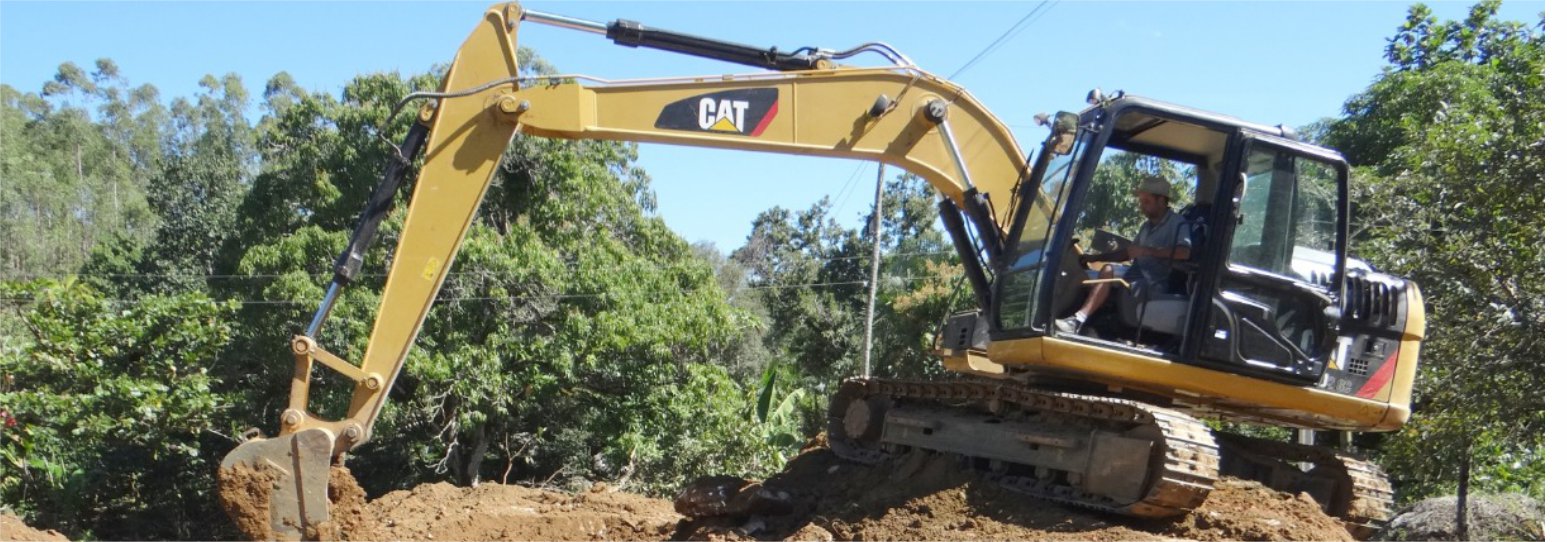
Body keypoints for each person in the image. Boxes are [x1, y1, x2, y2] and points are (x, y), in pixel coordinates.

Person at [1055, 174, 1192, 335]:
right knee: (1093, 272)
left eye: (1146, 202)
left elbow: (1185, 252)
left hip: (1152, 282)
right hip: (1136, 272)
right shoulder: (1146, 226)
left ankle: (1077, 321)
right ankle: (1065, 317)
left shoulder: (1177, 223)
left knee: (1109, 276)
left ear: (1161, 201)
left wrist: (1148, 251)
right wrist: (1095, 258)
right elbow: (1128, 253)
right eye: (1141, 202)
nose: (1142, 206)